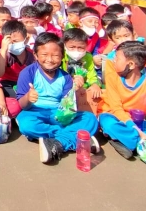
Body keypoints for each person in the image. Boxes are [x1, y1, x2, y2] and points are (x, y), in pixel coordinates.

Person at [15, 33, 100, 164]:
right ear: (36, 55)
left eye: (55, 55)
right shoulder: (27, 73)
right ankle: (75, 139)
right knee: (26, 124)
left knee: (90, 119)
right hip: (35, 112)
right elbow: (22, 105)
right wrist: (28, 97)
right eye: (44, 55)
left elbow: (67, 107)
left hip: (58, 113)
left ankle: (57, 143)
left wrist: (75, 91)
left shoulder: (66, 77)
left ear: (62, 57)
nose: (50, 59)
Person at [61, 28, 102, 109]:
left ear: (86, 46)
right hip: (64, 89)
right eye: (72, 47)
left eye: (80, 48)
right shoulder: (61, 56)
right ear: (64, 45)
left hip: (83, 90)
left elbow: (92, 76)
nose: (76, 51)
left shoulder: (88, 57)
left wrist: (95, 84)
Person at [0, 20, 33, 98]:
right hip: (7, 84)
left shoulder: (31, 53)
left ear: (26, 40)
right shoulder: (4, 54)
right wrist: (4, 49)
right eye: (9, 42)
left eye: (15, 41)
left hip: (25, 82)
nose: (12, 44)